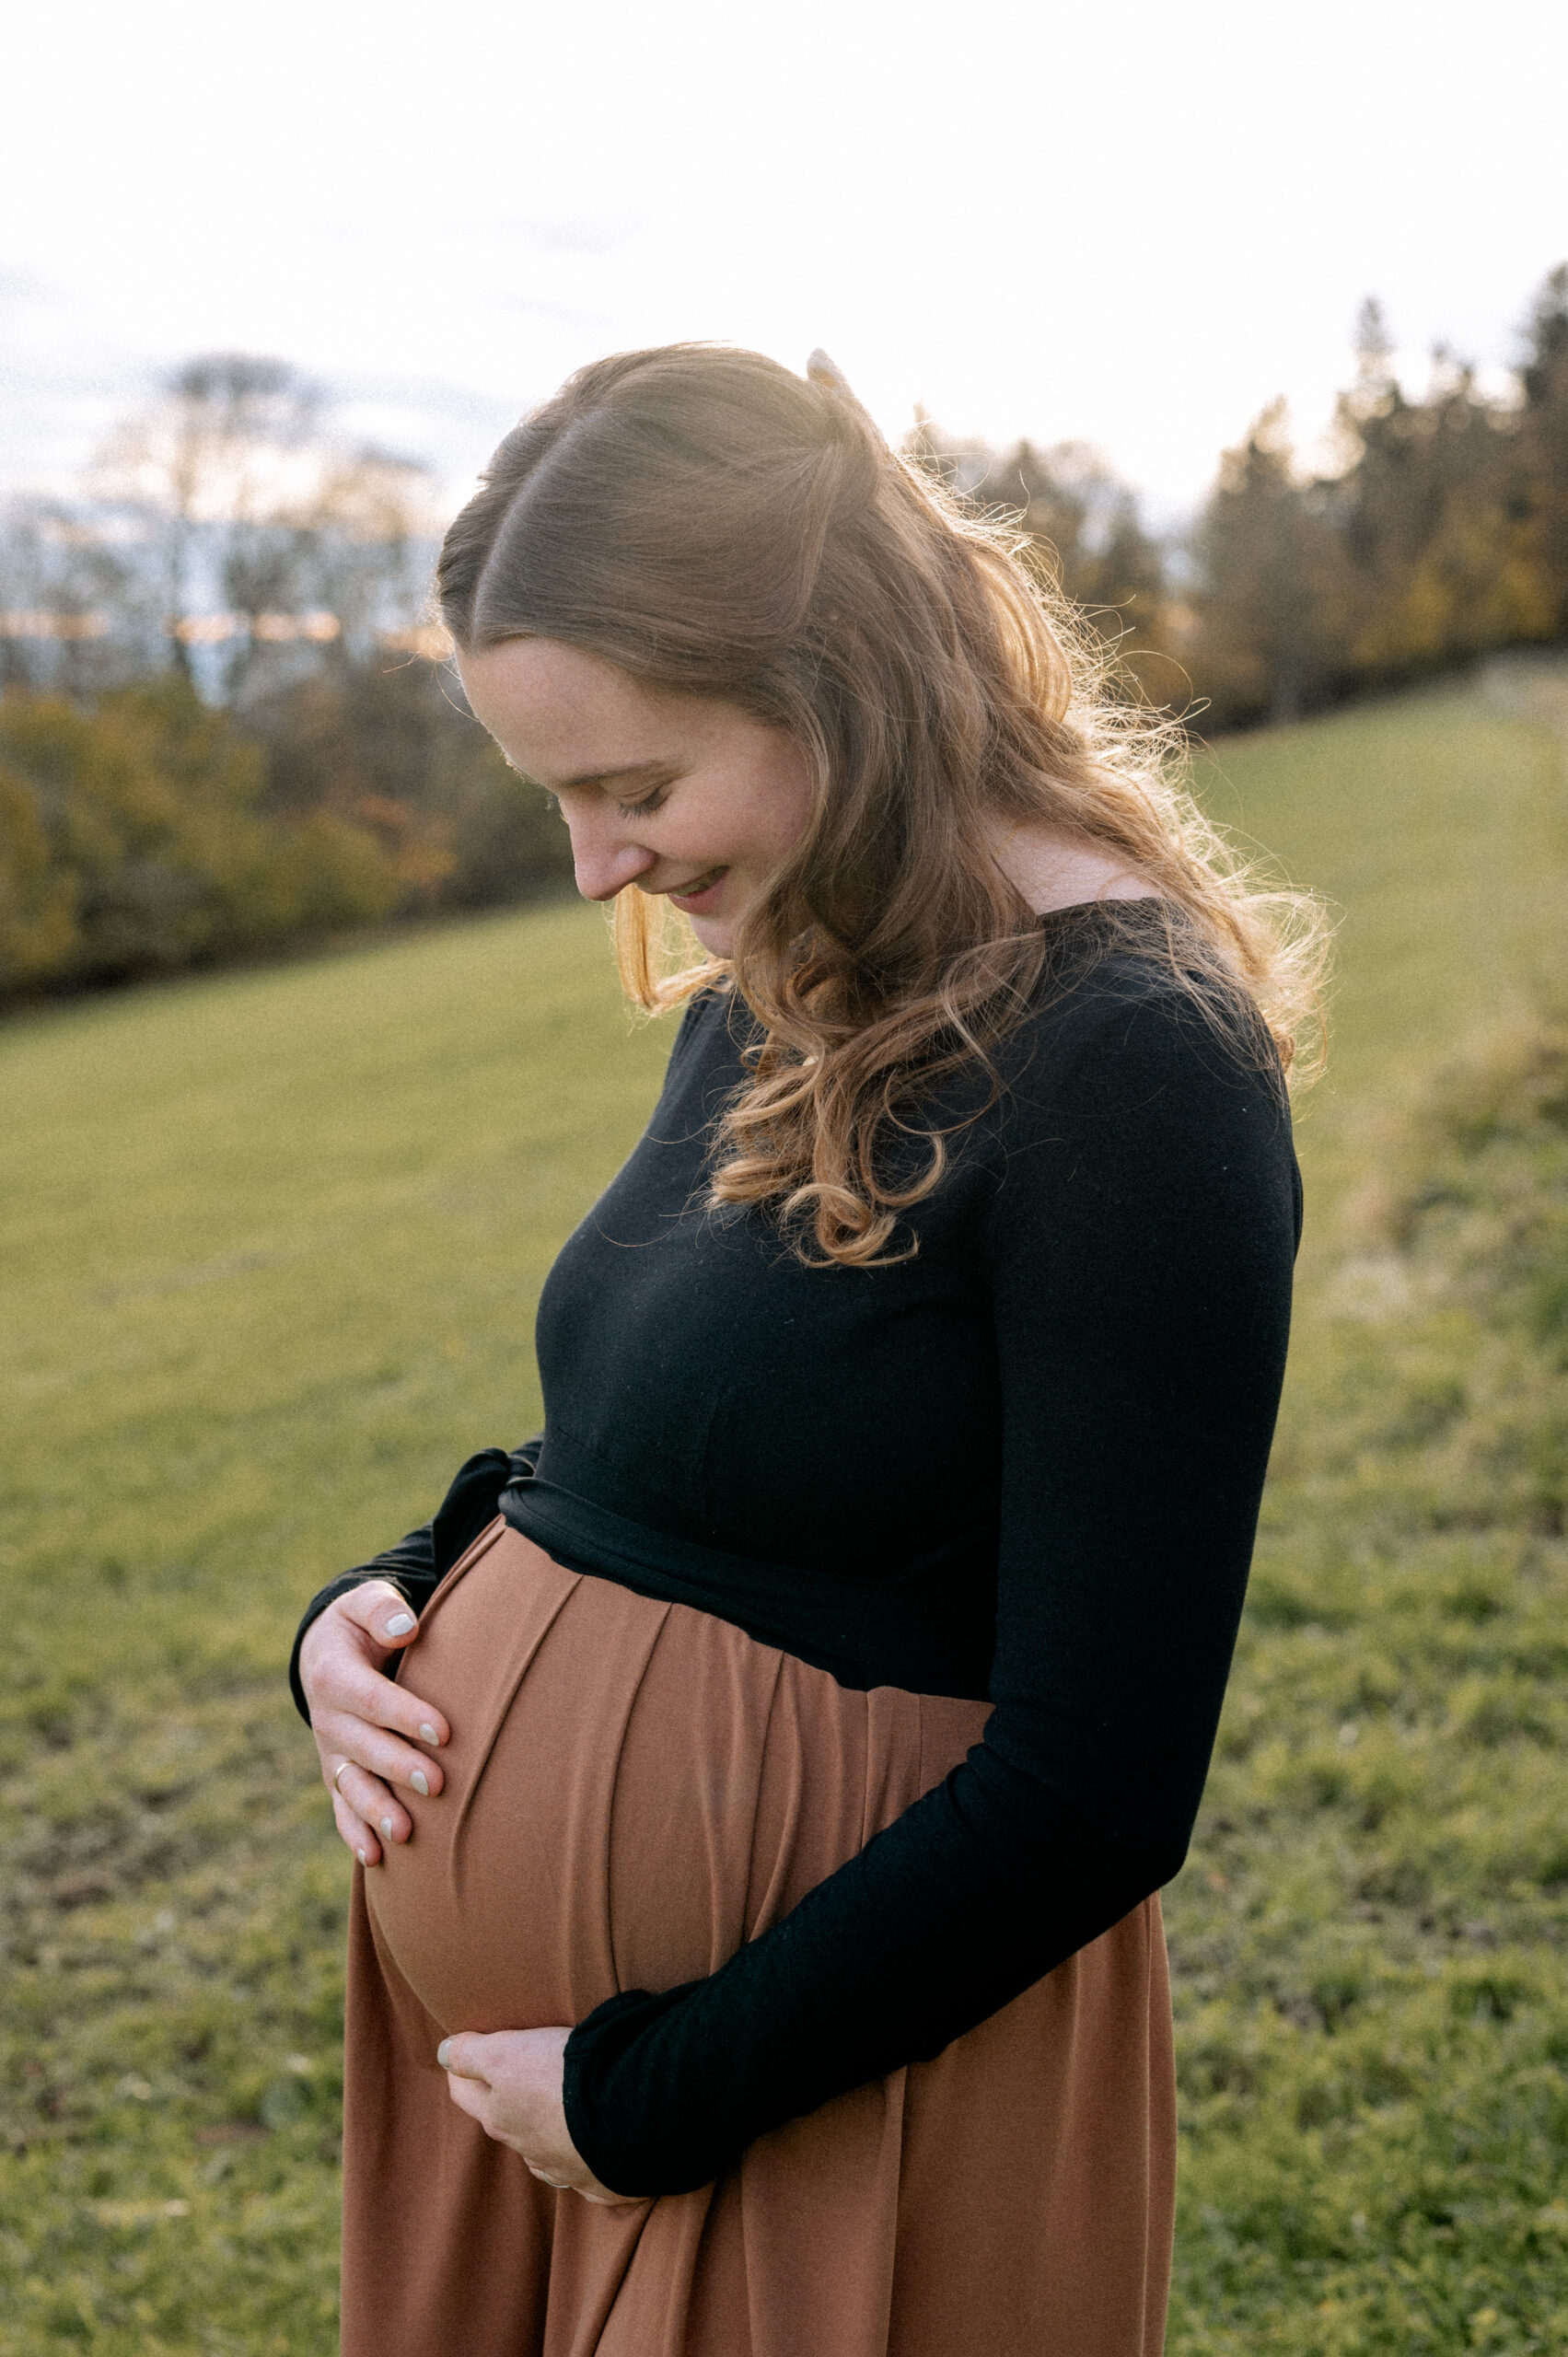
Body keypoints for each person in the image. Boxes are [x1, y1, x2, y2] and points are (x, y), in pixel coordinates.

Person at [290, 344, 1321, 2357]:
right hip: (581, 2087)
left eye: (635, 786)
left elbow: (1100, 1782)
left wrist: (650, 2093)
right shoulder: (789, 976)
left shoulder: (1135, 1066)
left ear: (836, 675)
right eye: (562, 799)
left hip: (815, 2080)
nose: (600, 868)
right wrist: (386, 1601)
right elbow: (639, 1445)